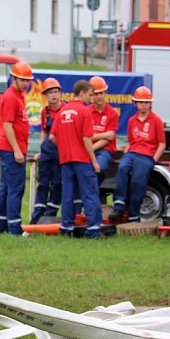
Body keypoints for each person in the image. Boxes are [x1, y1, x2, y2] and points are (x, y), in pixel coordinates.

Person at [50, 80, 102, 237]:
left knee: (67, 194)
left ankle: (67, 228)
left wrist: (64, 147)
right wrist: (94, 160)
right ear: (82, 93)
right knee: (89, 193)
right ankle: (93, 229)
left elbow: (52, 137)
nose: (91, 99)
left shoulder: (62, 111)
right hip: (82, 159)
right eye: (90, 95)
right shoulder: (85, 111)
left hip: (66, 160)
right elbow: (87, 139)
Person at [108, 86, 165, 222]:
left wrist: (153, 160)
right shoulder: (131, 120)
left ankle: (134, 214)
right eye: (141, 102)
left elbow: (162, 144)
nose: (144, 105)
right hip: (132, 152)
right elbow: (130, 142)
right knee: (122, 167)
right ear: (135, 103)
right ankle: (119, 206)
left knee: (137, 181)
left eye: (146, 102)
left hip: (146, 155)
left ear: (150, 103)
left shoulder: (156, 120)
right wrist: (125, 155)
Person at [0, 60, 33, 235]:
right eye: (22, 80)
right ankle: (15, 228)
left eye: (27, 80)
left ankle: (1, 226)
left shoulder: (19, 95)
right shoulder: (11, 97)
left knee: (6, 188)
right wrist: (17, 149)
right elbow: (7, 125)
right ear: (14, 79)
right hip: (11, 149)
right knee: (16, 188)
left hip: (10, 148)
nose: (25, 83)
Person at [30, 77, 64, 224]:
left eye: (55, 92)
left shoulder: (66, 110)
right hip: (46, 153)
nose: (53, 95)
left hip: (61, 153)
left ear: (60, 93)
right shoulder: (45, 111)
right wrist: (40, 151)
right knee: (43, 184)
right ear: (45, 95)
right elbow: (44, 131)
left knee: (57, 184)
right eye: (50, 93)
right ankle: (37, 217)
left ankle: (50, 216)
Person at [88, 76, 118, 185]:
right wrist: (104, 134)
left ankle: (91, 193)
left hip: (105, 150)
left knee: (99, 168)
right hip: (87, 147)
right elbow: (86, 136)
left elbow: (108, 139)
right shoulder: (86, 111)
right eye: (96, 94)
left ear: (105, 93)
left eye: (101, 93)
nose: (99, 97)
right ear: (91, 95)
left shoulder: (112, 113)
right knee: (81, 169)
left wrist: (91, 147)